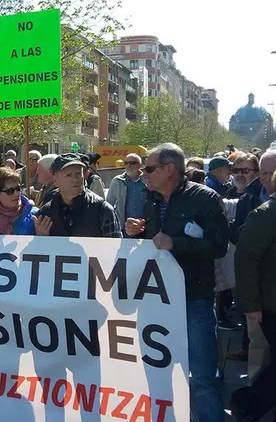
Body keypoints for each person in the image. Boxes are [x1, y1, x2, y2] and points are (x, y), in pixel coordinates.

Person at [124, 143, 227, 422]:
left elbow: (219, 246)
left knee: (202, 377)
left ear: (170, 170)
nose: (145, 174)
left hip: (194, 299)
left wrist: (176, 244)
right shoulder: (151, 199)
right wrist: (134, 232)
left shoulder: (205, 199)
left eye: (150, 168)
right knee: (157, 372)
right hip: (156, 300)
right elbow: (150, 243)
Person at [231, 174, 276, 422]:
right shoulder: (266, 214)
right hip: (270, 305)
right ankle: (247, 402)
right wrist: (250, 305)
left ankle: (249, 404)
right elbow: (246, 259)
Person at [225, 151, 273, 372]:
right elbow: (244, 253)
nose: (267, 177)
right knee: (259, 347)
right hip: (261, 291)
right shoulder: (249, 199)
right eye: (236, 171)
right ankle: (253, 401)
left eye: (246, 171)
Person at [35, 154, 121, 237]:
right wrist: (42, 239)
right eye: (69, 175)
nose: (75, 179)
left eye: (78, 174)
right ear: (55, 180)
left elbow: (116, 248)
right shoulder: (46, 213)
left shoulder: (102, 210)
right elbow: (38, 250)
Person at [106, 153, 147, 230]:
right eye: (126, 163)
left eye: (132, 163)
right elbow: (109, 204)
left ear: (140, 165)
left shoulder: (147, 180)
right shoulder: (117, 181)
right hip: (124, 227)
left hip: (145, 226)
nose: (128, 166)